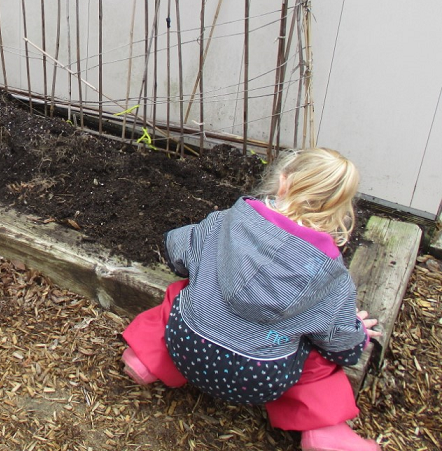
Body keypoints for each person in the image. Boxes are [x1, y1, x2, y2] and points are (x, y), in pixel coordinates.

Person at [121, 148, 382, 451]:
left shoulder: (226, 221)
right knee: (319, 357)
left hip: (187, 346)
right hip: (260, 378)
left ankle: (146, 359)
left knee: (181, 291)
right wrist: (358, 334)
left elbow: (180, 252)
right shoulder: (332, 279)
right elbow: (341, 346)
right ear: (341, 209)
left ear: (283, 183)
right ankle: (325, 430)